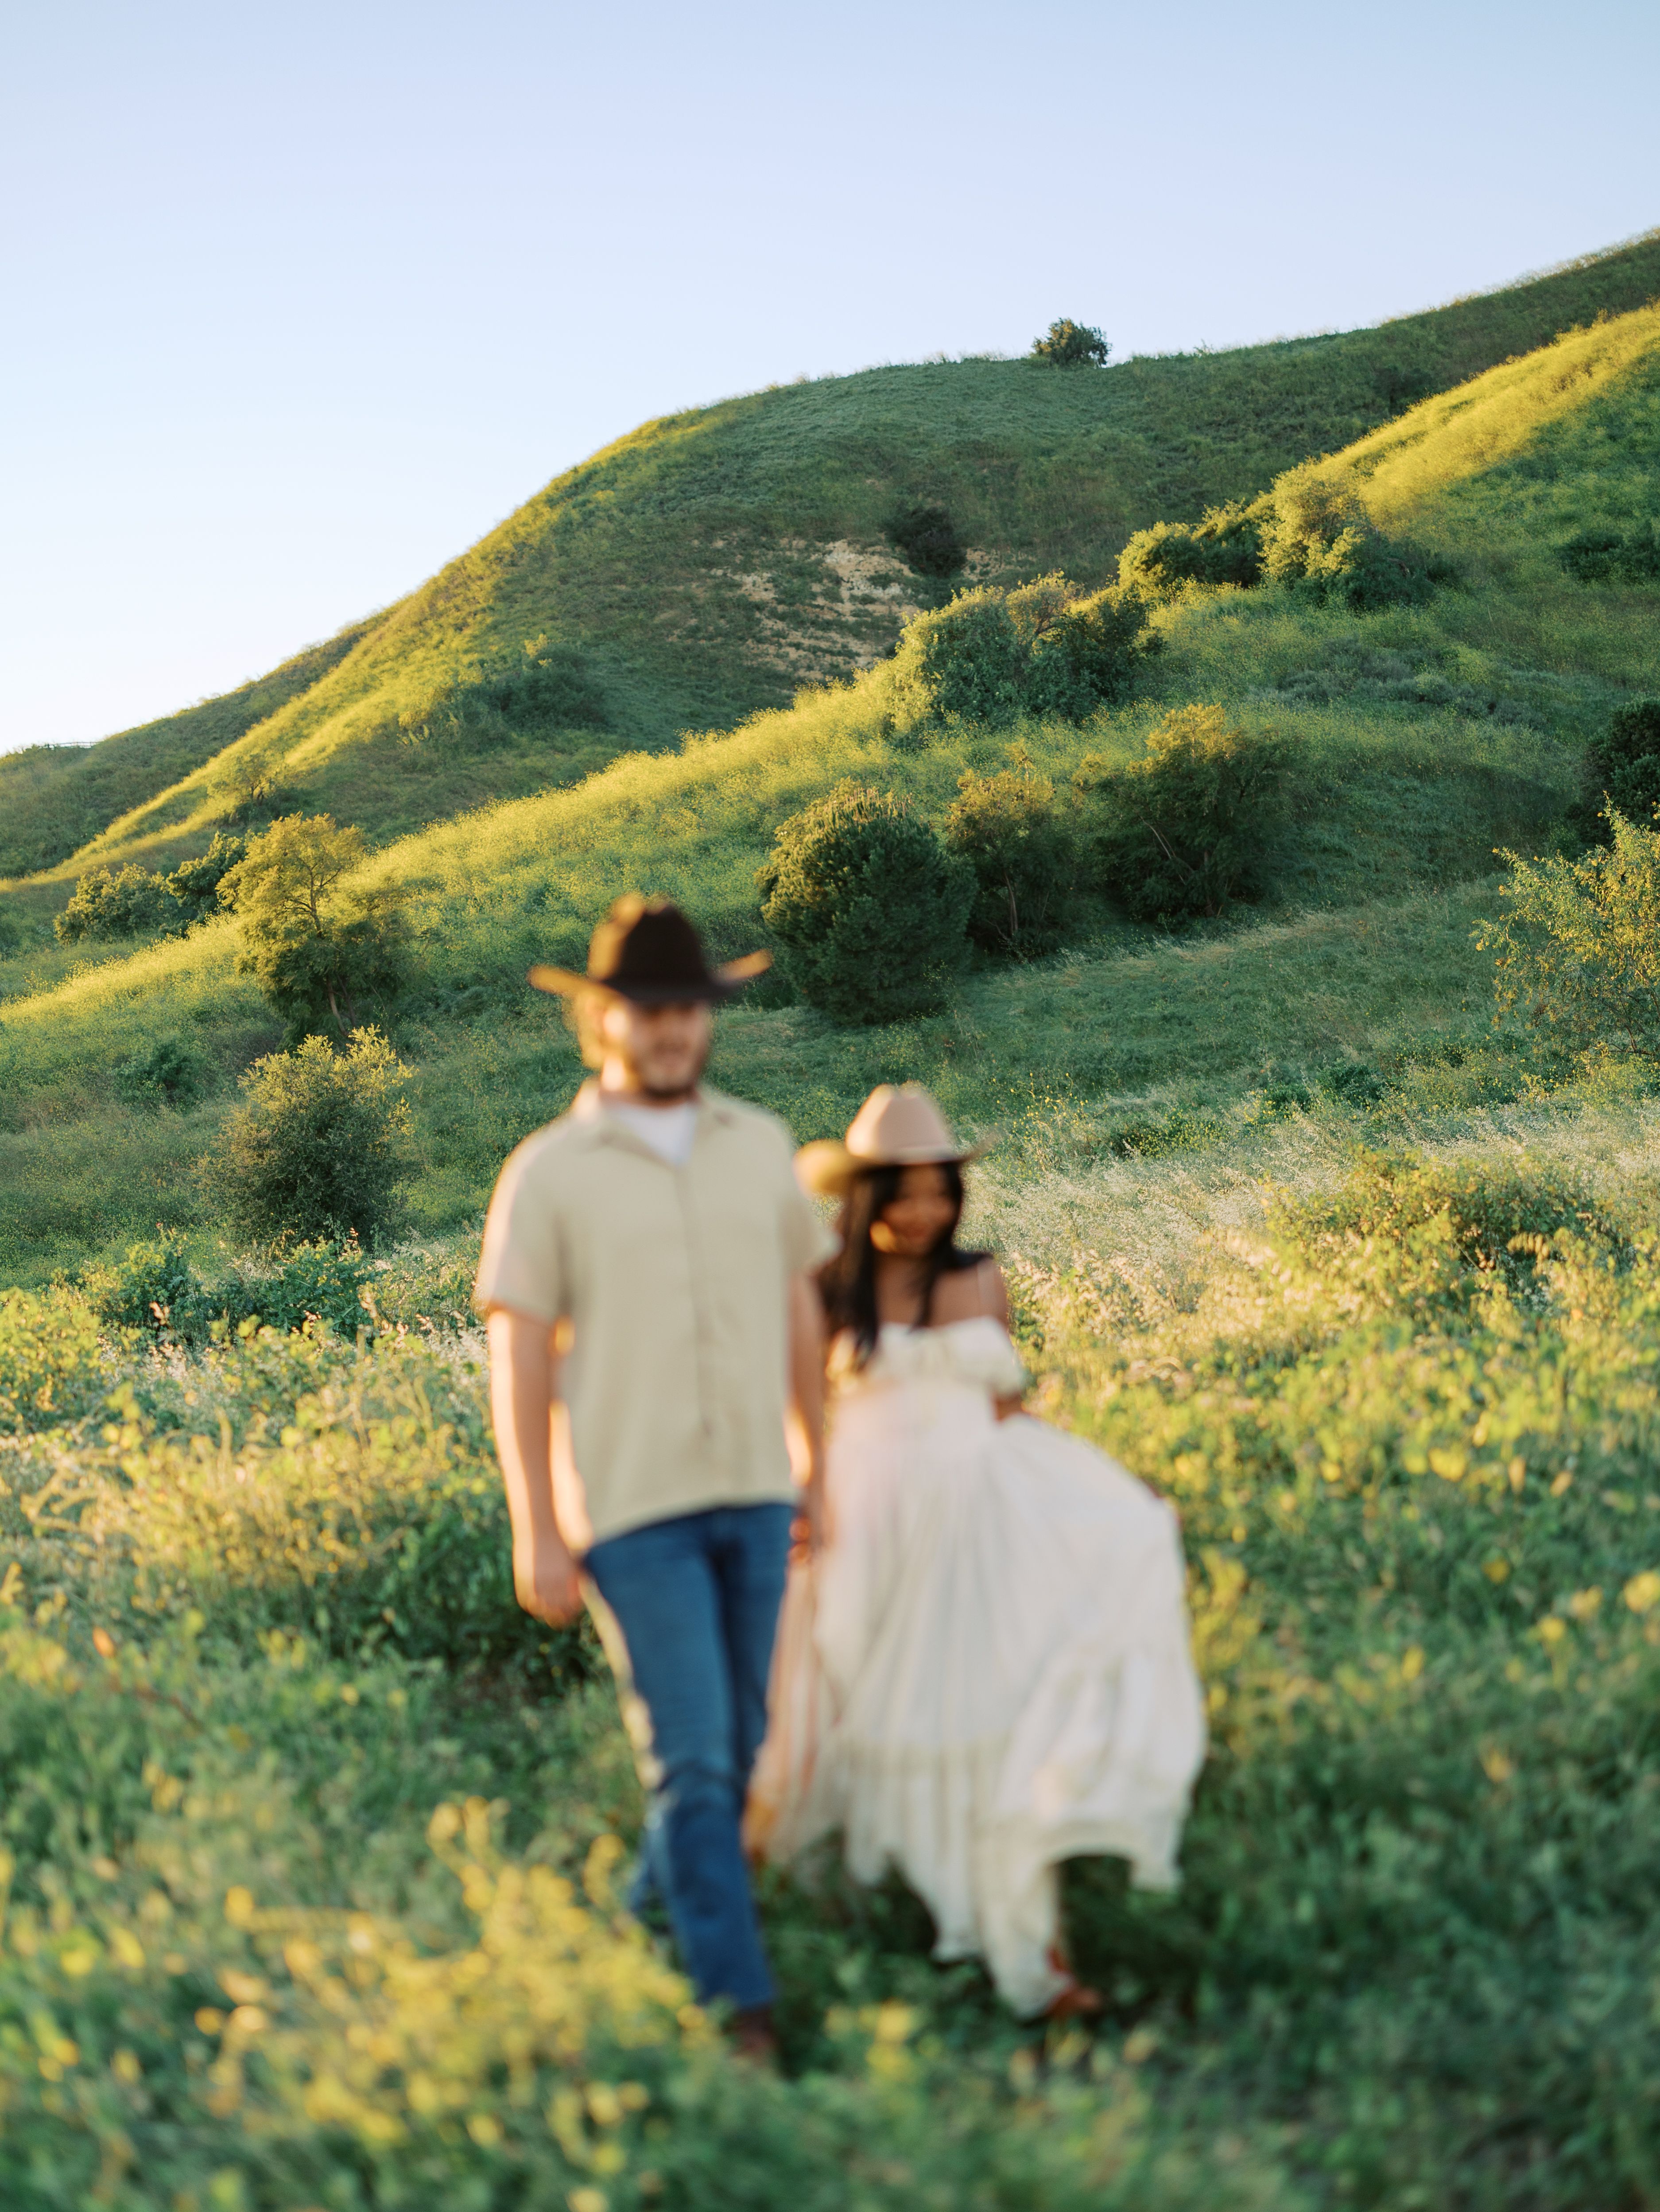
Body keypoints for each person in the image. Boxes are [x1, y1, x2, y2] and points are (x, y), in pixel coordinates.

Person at [746, 1083, 1207, 2019]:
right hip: (869, 1513)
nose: (924, 1212)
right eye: (903, 1192)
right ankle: (864, 1930)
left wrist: (1113, 1489)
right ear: (864, 1194)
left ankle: (1027, 1955)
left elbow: (1004, 1406)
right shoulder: (823, 1282)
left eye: (939, 1192)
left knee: (989, 1706)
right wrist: (804, 1502)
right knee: (862, 1704)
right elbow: (798, 1415)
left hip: (979, 1504)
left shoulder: (981, 1276)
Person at [474, 894, 834, 2060]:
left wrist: (814, 1461)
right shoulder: (549, 1172)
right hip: (633, 1510)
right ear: (602, 1022)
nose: (670, 1029)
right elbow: (518, 1355)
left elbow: (797, 1309)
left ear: (708, 1018)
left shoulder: (760, 1145)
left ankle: (626, 1931)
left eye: (686, 1009)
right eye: (646, 1009)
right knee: (690, 1751)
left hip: (755, 1487)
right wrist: (538, 1526)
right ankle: (742, 2011)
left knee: (737, 1743)